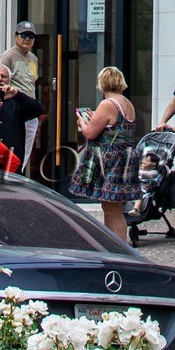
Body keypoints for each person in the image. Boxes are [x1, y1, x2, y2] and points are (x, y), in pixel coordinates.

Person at [69, 65, 139, 240]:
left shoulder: (107, 103)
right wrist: (95, 119)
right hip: (125, 158)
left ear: (102, 83)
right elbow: (114, 127)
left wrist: (82, 122)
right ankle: (117, 245)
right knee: (113, 206)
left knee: (111, 208)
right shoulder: (127, 103)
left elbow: (90, 133)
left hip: (110, 160)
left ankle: (119, 247)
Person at [0, 23, 42, 167]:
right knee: (15, 146)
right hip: (15, 109)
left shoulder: (33, 58)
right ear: (15, 36)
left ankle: (21, 171)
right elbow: (0, 78)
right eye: (23, 35)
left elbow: (33, 82)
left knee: (27, 149)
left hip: (30, 107)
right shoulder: (8, 56)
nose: (27, 39)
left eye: (31, 36)